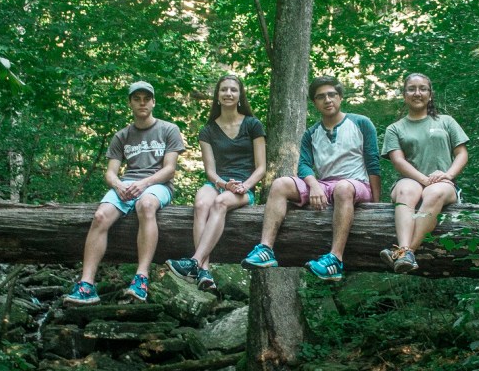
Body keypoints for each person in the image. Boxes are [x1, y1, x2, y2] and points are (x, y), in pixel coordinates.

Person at [242, 75, 381, 281]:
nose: (327, 100)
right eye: (320, 97)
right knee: (280, 184)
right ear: (314, 102)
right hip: (325, 185)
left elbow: (373, 163)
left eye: (332, 94)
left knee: (342, 187)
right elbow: (304, 165)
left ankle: (335, 259)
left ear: (340, 97)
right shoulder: (311, 133)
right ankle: (265, 250)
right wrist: (314, 185)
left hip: (355, 184)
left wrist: (377, 204)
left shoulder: (361, 123)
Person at [64, 81, 185, 305]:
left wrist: (145, 183)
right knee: (100, 216)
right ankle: (87, 284)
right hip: (126, 185)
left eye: (146, 99)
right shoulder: (122, 136)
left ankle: (141, 278)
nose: (142, 103)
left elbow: (169, 170)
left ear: (153, 102)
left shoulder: (169, 129)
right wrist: (119, 185)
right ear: (130, 103)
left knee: (146, 205)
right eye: (136, 98)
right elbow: (110, 173)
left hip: (157, 185)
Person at [165, 74, 266, 294]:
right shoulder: (207, 130)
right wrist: (222, 182)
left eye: (233, 90)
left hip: (243, 187)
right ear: (217, 96)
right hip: (218, 182)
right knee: (201, 204)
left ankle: (194, 262)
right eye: (224, 90)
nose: (228, 93)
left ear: (240, 95)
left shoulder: (253, 125)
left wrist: (245, 186)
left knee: (220, 203)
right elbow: (210, 171)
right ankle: (205, 270)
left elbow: (261, 168)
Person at [380, 72, 469, 272]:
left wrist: (448, 175)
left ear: (430, 94)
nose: (417, 93)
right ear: (404, 94)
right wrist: (423, 179)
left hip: (443, 182)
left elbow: (462, 153)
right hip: (411, 180)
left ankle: (407, 252)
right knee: (406, 191)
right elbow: (398, 160)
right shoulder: (395, 128)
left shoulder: (446, 121)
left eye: (422, 89)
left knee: (434, 192)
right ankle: (404, 250)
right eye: (411, 89)